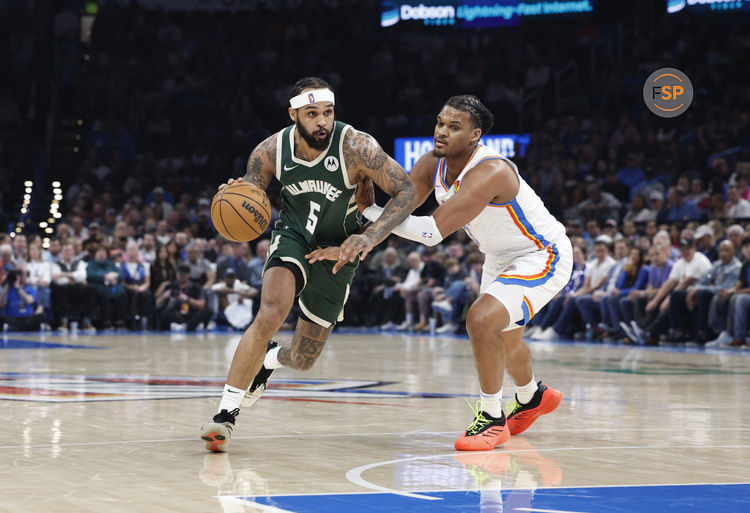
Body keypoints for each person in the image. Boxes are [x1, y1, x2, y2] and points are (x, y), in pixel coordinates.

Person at [309, 95, 572, 451]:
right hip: (499, 255)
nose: (442, 132)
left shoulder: (490, 171)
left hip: (542, 253)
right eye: (440, 123)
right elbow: (402, 207)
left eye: (454, 127)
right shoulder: (433, 162)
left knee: (480, 321)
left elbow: (431, 233)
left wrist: (370, 213)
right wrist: (363, 238)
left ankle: (492, 419)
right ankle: (532, 396)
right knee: (506, 340)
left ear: (475, 135)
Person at [200, 77, 418, 452]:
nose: (322, 122)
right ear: (294, 115)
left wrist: (369, 237)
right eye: (312, 114)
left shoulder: (357, 146)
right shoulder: (270, 151)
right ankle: (225, 414)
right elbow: (251, 192)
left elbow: (408, 191)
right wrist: (236, 192)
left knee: (302, 359)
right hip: (294, 235)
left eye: (328, 113)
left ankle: (269, 359)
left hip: (340, 248)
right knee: (270, 312)